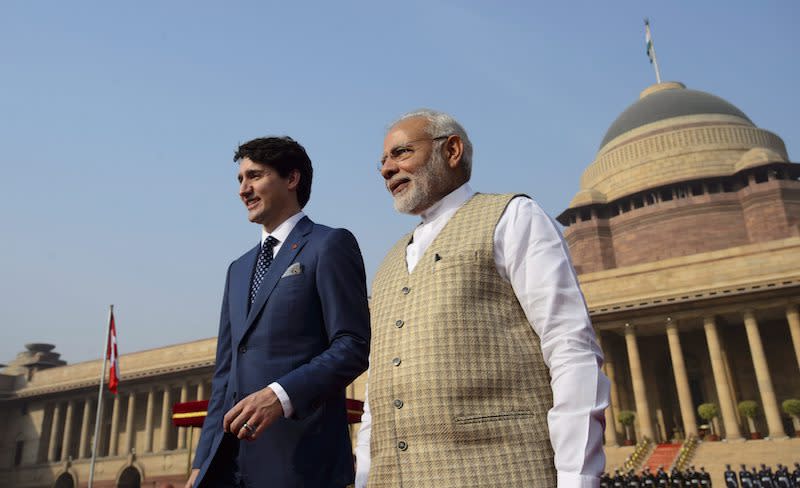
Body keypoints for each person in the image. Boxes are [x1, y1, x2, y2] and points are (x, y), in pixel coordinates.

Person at [355, 109, 609, 487]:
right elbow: (378, 391)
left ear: (452, 150)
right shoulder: (391, 262)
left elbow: (570, 347)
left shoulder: (512, 217)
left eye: (402, 152)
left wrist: (577, 478)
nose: (387, 169)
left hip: (503, 470)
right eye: (382, 161)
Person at [186, 136, 371, 487]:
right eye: (240, 180)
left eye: (254, 176)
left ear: (291, 179)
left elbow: (352, 345)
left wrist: (280, 395)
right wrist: (202, 462)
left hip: (300, 460)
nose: (244, 189)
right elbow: (226, 373)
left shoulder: (328, 244)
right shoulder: (237, 269)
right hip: (230, 466)